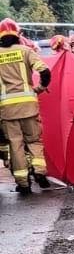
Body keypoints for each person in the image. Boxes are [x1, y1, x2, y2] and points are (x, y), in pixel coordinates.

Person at [0, 17, 52, 193]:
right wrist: (40, 88)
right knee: (34, 140)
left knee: (16, 145)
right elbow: (45, 71)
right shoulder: (26, 51)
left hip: (7, 109)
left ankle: (23, 183)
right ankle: (39, 171)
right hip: (29, 106)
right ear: (18, 34)